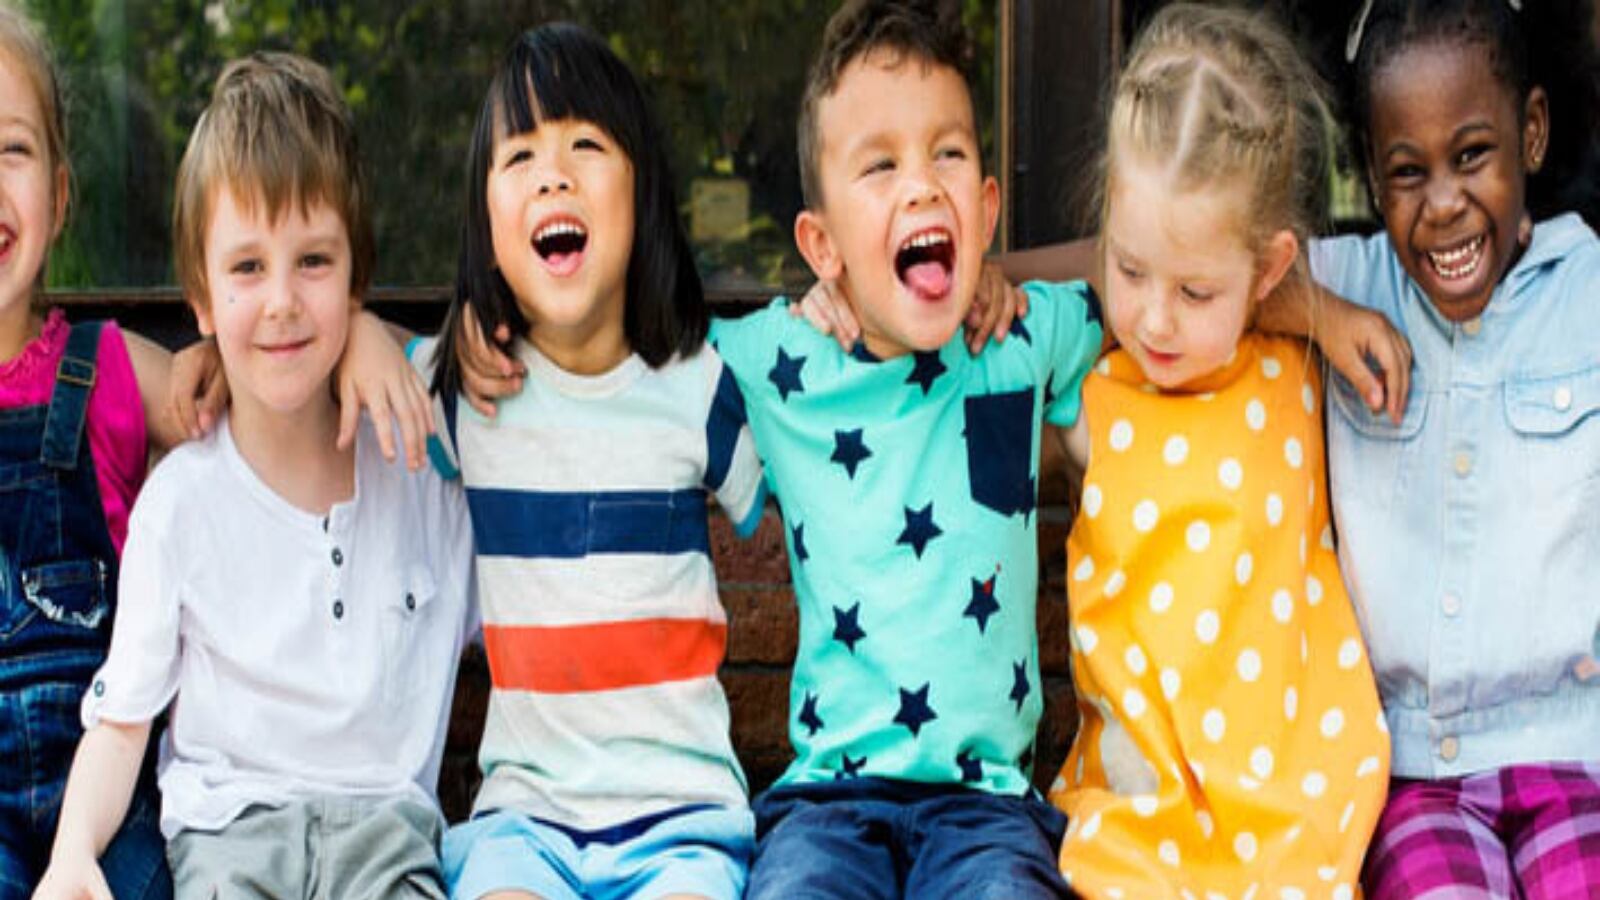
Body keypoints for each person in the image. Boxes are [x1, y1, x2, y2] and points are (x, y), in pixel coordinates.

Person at [33, 51, 474, 900]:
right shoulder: (182, 504)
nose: (280, 300)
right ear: (201, 297)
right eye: (246, 268)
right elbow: (122, 726)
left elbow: (512, 366)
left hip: (386, 841)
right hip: (229, 840)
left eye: (314, 262)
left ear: (355, 281)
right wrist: (73, 853)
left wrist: (373, 333)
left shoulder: (421, 465)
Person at [417, 24, 767, 900]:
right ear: (486, 226)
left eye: (585, 144)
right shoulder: (462, 393)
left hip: (684, 821)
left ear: (641, 192)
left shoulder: (701, 386)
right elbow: (344, 360)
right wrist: (367, 342)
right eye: (520, 156)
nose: (553, 174)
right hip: (524, 825)